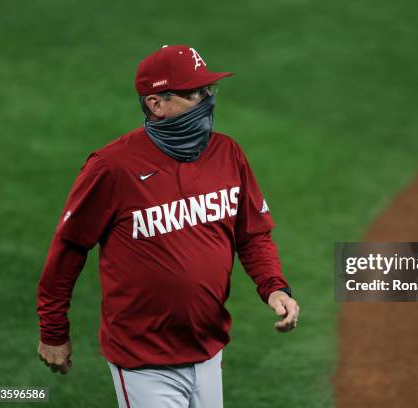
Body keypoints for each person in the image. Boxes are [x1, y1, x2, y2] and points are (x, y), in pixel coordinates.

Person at [36, 44, 299, 408]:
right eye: (194, 93)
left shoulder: (228, 154)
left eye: (208, 90)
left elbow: (252, 234)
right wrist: (53, 332)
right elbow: (68, 249)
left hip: (208, 348)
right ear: (156, 104)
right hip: (144, 361)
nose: (206, 100)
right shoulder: (112, 167)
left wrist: (274, 288)